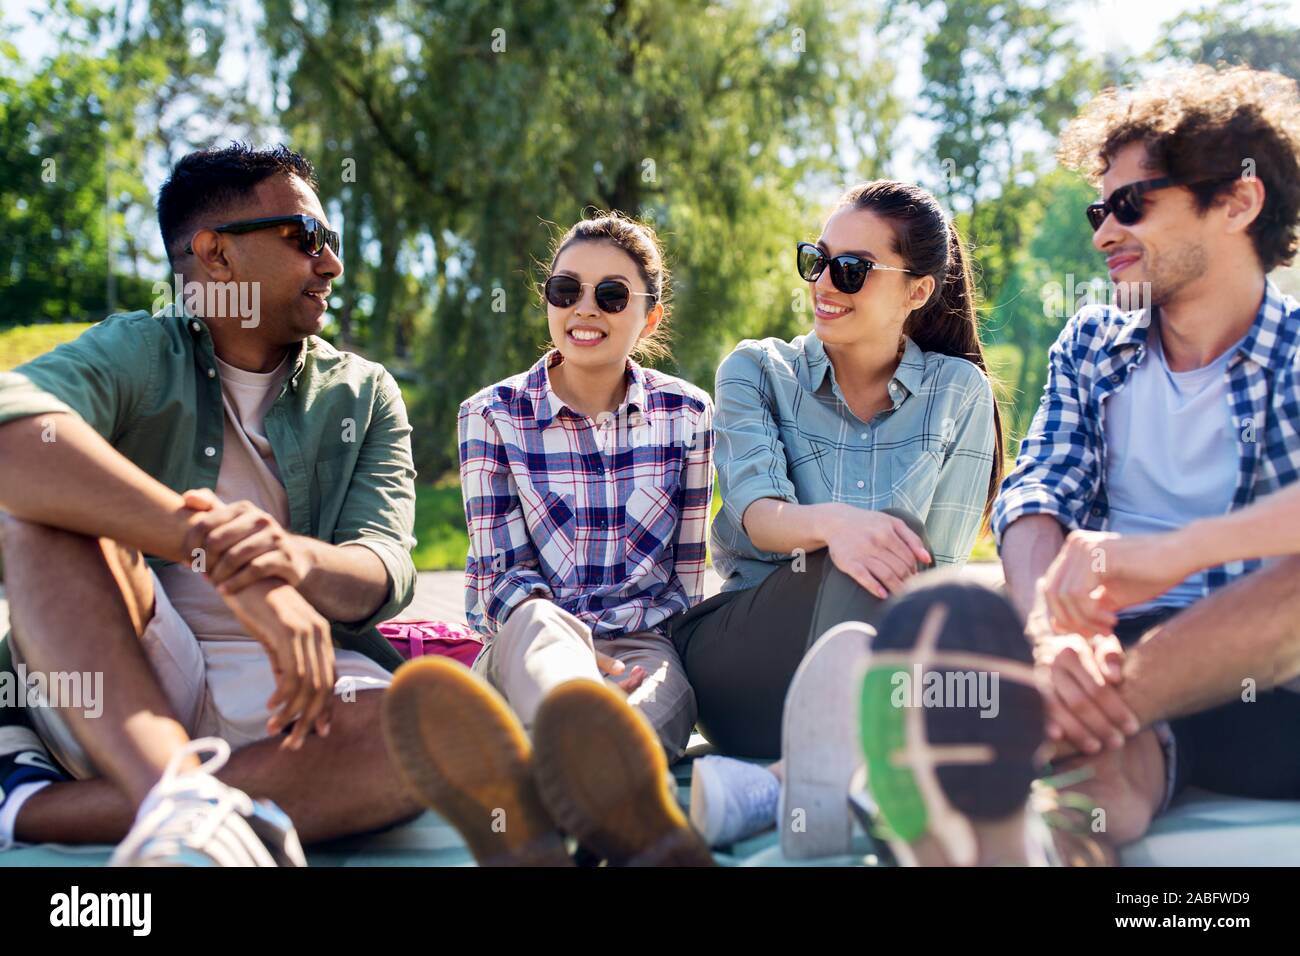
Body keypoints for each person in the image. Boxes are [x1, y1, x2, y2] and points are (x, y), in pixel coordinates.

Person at [0, 143, 421, 864]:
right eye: (306, 237)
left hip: (306, 693)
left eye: (333, 242)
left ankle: (52, 809)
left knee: (421, 728)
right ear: (216, 257)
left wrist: (288, 558)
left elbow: (383, 570)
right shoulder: (138, 349)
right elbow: (11, 428)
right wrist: (220, 554)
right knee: (35, 505)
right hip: (128, 677)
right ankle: (178, 789)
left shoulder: (365, 391)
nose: (332, 264)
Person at [995, 65, 1300, 849]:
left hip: (1274, 684)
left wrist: (1168, 555)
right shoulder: (1092, 345)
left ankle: (1015, 719)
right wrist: (1046, 634)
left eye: (1133, 204)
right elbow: (1036, 495)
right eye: (1101, 208)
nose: (1102, 233)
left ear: (1238, 200)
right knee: (1089, 793)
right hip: (1111, 662)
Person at [674, 180, 1002, 847]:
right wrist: (838, 525)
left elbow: (928, 576)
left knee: (908, 570)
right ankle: (834, 776)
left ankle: (788, 781)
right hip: (742, 666)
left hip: (885, 670)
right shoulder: (757, 370)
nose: (824, 282)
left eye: (850, 270)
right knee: (876, 546)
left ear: (916, 291)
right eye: (815, 260)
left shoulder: (958, 393)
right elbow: (760, 514)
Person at [384, 212, 716, 866]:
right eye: (565, 290)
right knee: (542, 628)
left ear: (648, 318)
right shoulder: (491, 415)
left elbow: (684, 580)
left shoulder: (688, 415)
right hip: (527, 640)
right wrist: (578, 661)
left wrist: (635, 661)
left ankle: (536, 819)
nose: (584, 309)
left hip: (642, 646)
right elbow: (503, 580)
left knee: (650, 709)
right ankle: (599, 784)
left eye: (612, 295)